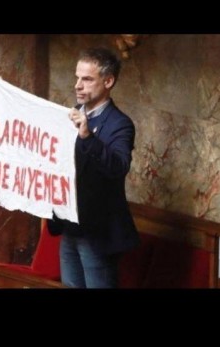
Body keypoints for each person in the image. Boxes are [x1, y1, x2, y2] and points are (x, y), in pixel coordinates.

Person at [47, 47, 140, 288]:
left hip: (98, 232)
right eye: (77, 77)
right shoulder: (69, 115)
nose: (78, 85)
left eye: (87, 79)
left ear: (108, 81)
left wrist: (88, 136)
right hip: (70, 226)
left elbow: (118, 167)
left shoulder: (120, 124)